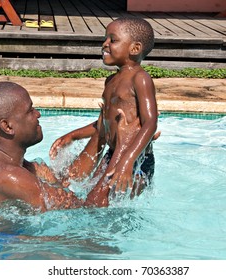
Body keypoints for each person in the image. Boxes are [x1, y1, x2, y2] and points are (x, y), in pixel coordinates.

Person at [0, 81, 113, 212]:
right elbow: (86, 210)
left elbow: (66, 182)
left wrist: (102, 132)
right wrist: (118, 161)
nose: (38, 114)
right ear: (7, 126)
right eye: (30, 110)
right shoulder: (8, 176)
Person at [50, 17, 158, 197]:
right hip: (113, 152)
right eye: (105, 39)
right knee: (85, 194)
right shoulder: (110, 81)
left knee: (110, 207)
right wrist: (73, 135)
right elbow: (105, 123)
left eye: (113, 40)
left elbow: (150, 123)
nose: (104, 44)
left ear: (135, 48)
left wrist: (127, 161)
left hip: (137, 159)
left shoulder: (140, 79)